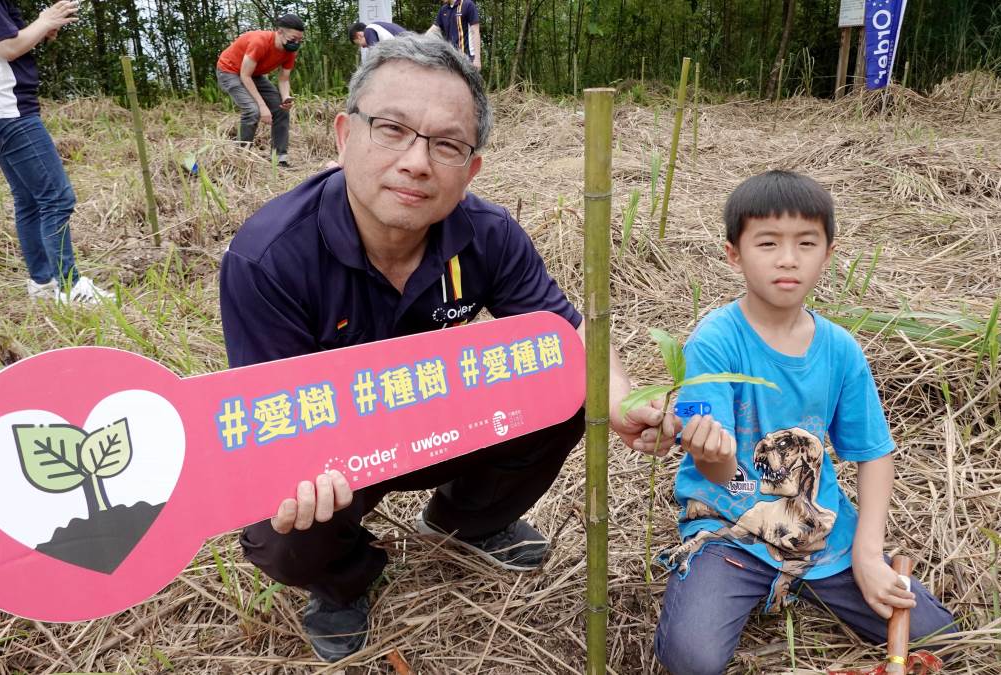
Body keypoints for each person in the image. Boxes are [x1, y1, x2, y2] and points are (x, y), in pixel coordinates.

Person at [219, 34, 676, 663]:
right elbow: (270, 419)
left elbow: (567, 335)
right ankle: (343, 580)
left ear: (471, 168)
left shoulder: (487, 235)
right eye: (392, 129)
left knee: (569, 389)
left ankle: (467, 520)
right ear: (344, 135)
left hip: (437, 421)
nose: (416, 162)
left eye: (446, 144)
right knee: (282, 529)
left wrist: (620, 400)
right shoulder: (268, 257)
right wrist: (296, 480)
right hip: (338, 450)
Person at [651, 171, 956, 674]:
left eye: (806, 243)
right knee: (692, 658)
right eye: (768, 243)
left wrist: (867, 554)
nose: (788, 258)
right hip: (734, 525)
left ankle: (817, 578)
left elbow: (874, 452)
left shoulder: (839, 350)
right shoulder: (714, 341)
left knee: (939, 638)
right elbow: (725, 475)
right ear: (734, 254)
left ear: (828, 254)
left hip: (820, 536)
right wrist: (717, 456)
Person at [0, 0, 112, 303]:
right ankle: (70, 287)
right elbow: (6, 48)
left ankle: (43, 282)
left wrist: (39, 29)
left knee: (30, 199)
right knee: (57, 198)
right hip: (3, 107)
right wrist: (44, 21)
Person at [216, 14, 303, 167]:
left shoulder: (290, 52)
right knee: (252, 110)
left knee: (281, 109)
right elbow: (245, 75)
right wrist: (263, 108)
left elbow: (283, 79)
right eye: (292, 39)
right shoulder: (260, 42)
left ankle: (279, 158)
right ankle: (240, 158)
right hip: (230, 71)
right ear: (279, 32)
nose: (295, 43)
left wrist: (285, 97)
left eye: (299, 40)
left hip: (253, 74)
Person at [428, 0, 481, 69]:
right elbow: (433, 30)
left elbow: (475, 32)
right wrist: (416, 42)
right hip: (451, 61)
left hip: (467, 59)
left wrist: (477, 59)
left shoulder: (468, 5)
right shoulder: (443, 10)